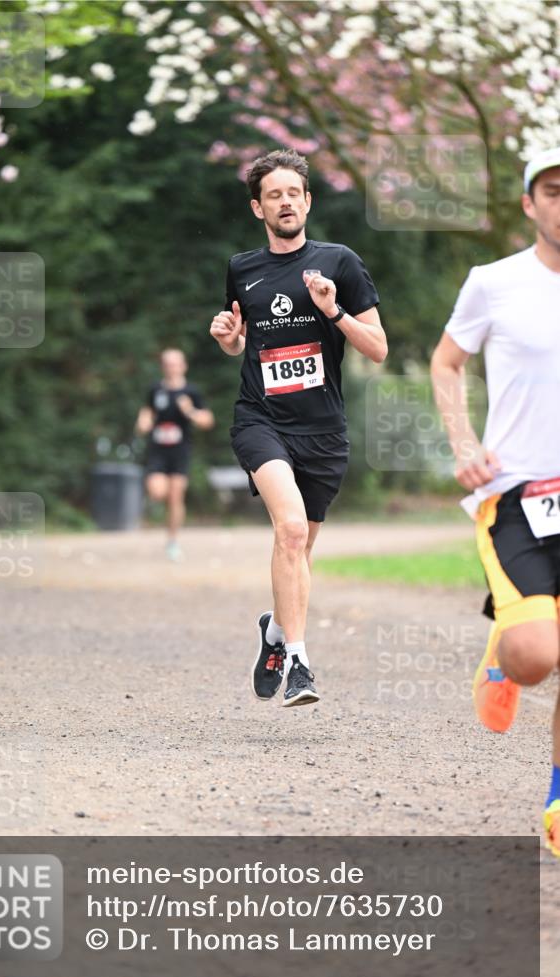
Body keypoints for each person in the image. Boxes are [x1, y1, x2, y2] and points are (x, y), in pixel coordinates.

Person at [209, 148, 387, 707]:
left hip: (323, 430)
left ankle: (275, 631)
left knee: (299, 552)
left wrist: (333, 312)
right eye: (273, 195)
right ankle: (300, 663)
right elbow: (246, 341)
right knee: (288, 532)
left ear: (307, 201)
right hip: (261, 419)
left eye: (294, 193)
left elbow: (378, 349)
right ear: (257, 208)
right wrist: (228, 338)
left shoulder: (340, 263)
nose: (285, 202)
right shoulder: (242, 268)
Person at [430, 147, 560, 856]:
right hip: (514, 494)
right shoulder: (494, 282)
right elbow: (446, 361)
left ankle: (557, 799)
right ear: (528, 203)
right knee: (537, 654)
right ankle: (501, 653)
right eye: (552, 189)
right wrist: (462, 443)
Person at [135, 348, 214, 561]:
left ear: (183, 366)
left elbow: (208, 420)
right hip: (158, 450)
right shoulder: (155, 390)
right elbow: (146, 413)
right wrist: (142, 423)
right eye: (168, 364)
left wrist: (190, 411)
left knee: (176, 496)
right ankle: (155, 509)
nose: (172, 367)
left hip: (180, 451)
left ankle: (172, 541)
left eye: (175, 363)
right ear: (163, 367)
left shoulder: (191, 392)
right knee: (158, 492)